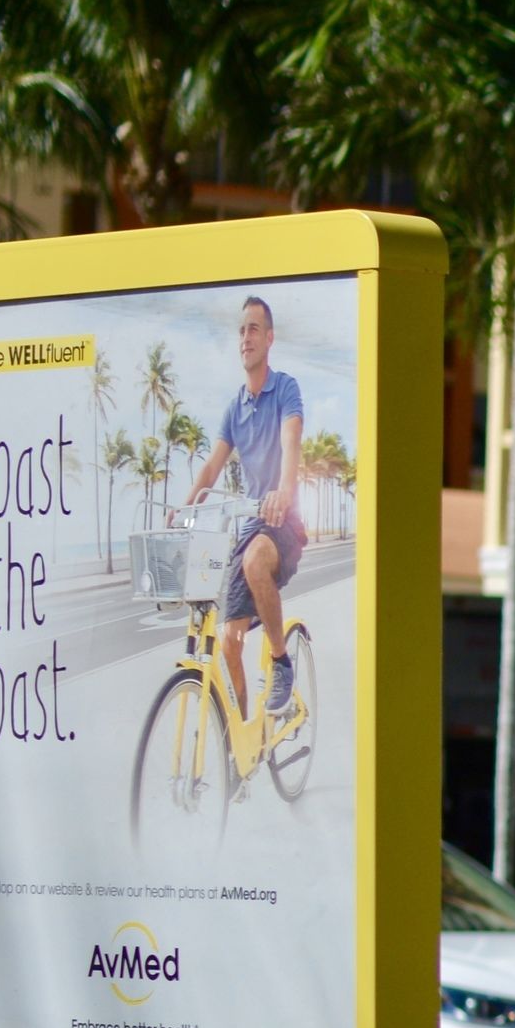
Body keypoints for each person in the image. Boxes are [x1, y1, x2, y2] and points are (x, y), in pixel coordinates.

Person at [180, 293, 306, 723]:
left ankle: (281, 662)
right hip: (252, 525)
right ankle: (241, 747)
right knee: (229, 639)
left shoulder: (285, 389)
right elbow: (212, 466)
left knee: (255, 561)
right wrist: (183, 508)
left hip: (283, 523)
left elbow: (291, 443)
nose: (245, 338)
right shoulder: (235, 408)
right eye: (241, 330)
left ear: (269, 338)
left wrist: (283, 491)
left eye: (253, 329)